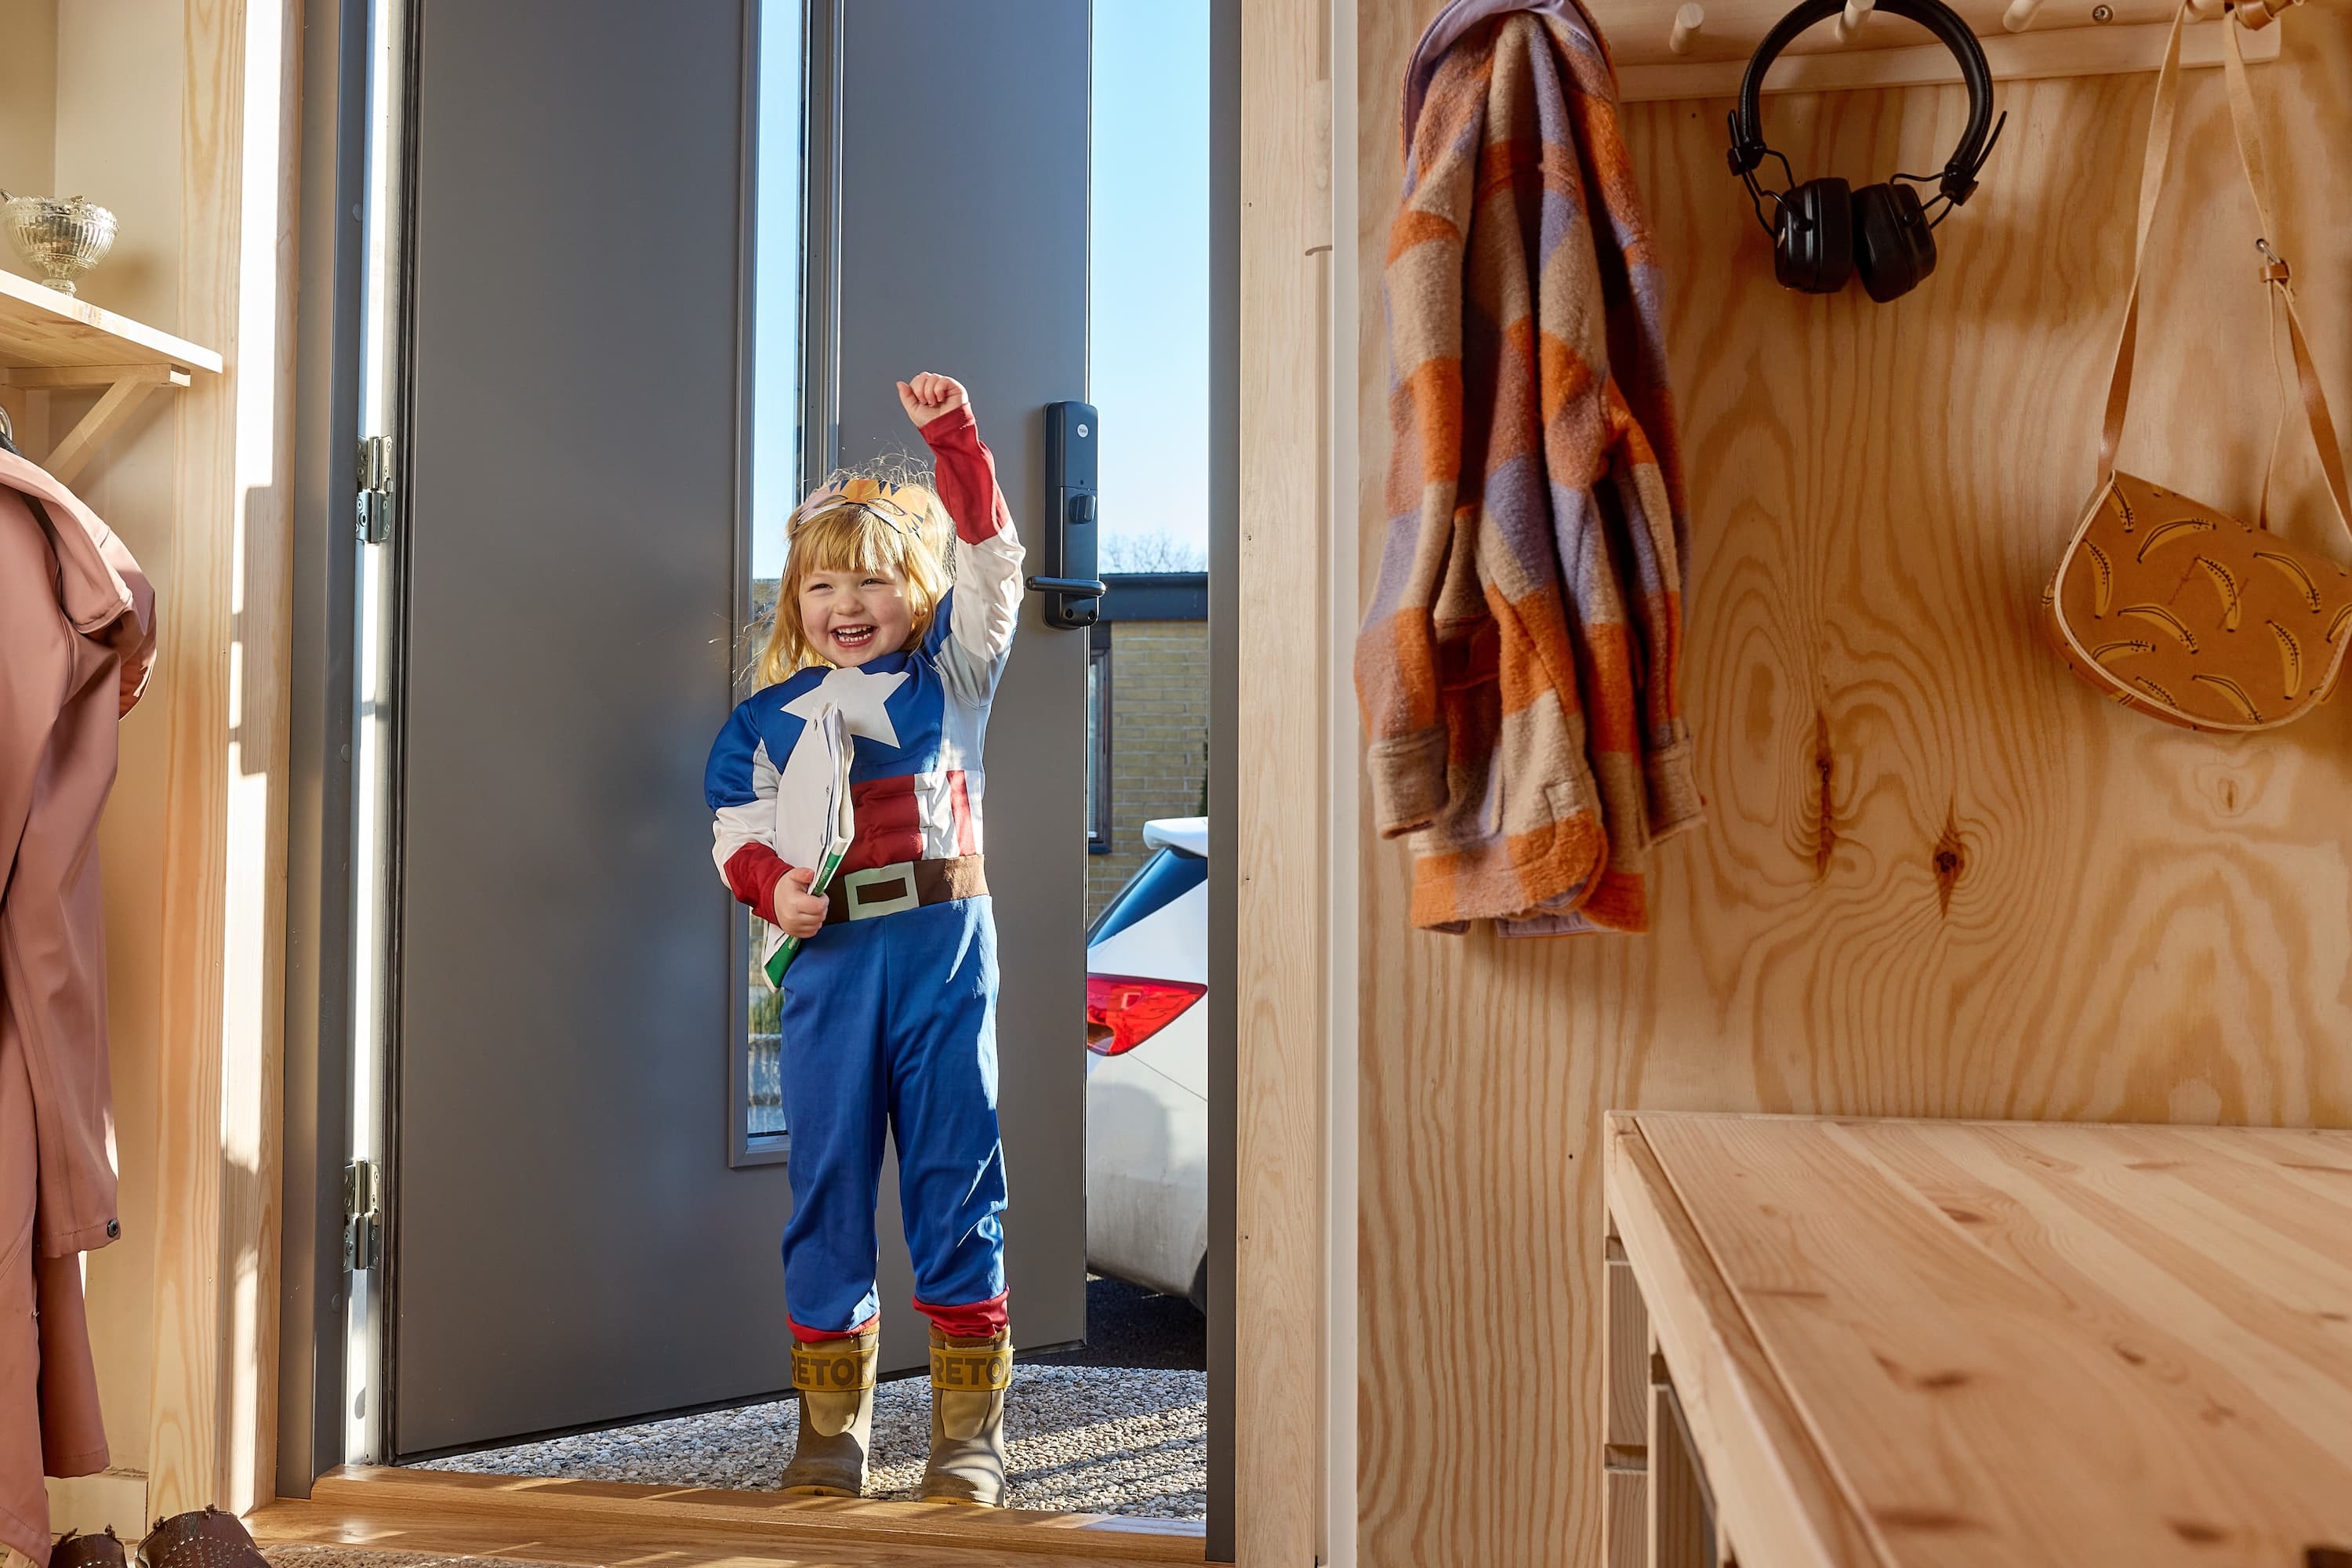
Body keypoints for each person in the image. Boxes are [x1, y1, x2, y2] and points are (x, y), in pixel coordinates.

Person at [703, 372, 1022, 1506]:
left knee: (955, 1166)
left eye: (873, 581)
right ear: (797, 599)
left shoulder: (958, 674)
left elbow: (993, 560)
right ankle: (830, 1439)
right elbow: (734, 828)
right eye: (823, 583)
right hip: (833, 961)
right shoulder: (762, 722)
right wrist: (770, 885)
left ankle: (967, 1441)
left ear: (915, 591)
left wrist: (955, 441)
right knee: (828, 1177)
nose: (848, 603)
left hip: (942, 946)